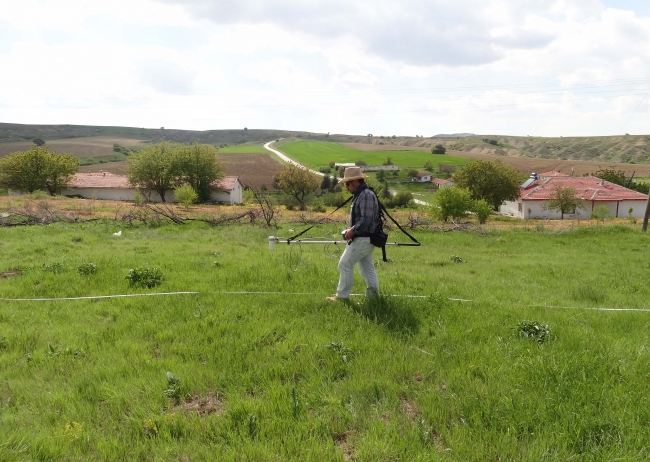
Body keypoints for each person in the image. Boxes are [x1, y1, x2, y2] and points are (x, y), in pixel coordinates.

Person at [327, 166, 380, 303]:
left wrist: (352, 231)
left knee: (344, 264)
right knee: (367, 269)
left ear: (355, 182)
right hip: (367, 238)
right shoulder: (362, 194)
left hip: (363, 238)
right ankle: (373, 299)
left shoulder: (366, 195)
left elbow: (366, 219)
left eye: (347, 184)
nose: (346, 187)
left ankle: (342, 298)